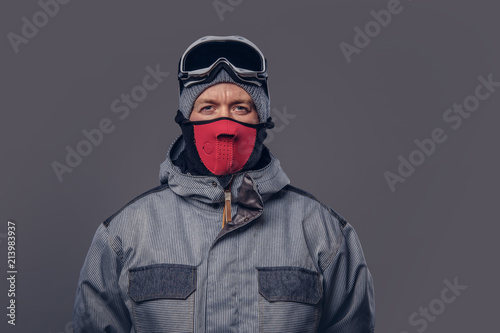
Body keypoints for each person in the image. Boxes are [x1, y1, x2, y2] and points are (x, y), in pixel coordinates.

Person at [72, 35, 375, 333]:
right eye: (208, 108)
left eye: (241, 108)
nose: (225, 122)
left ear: (262, 120)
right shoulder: (126, 233)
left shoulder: (323, 233)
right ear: (185, 120)